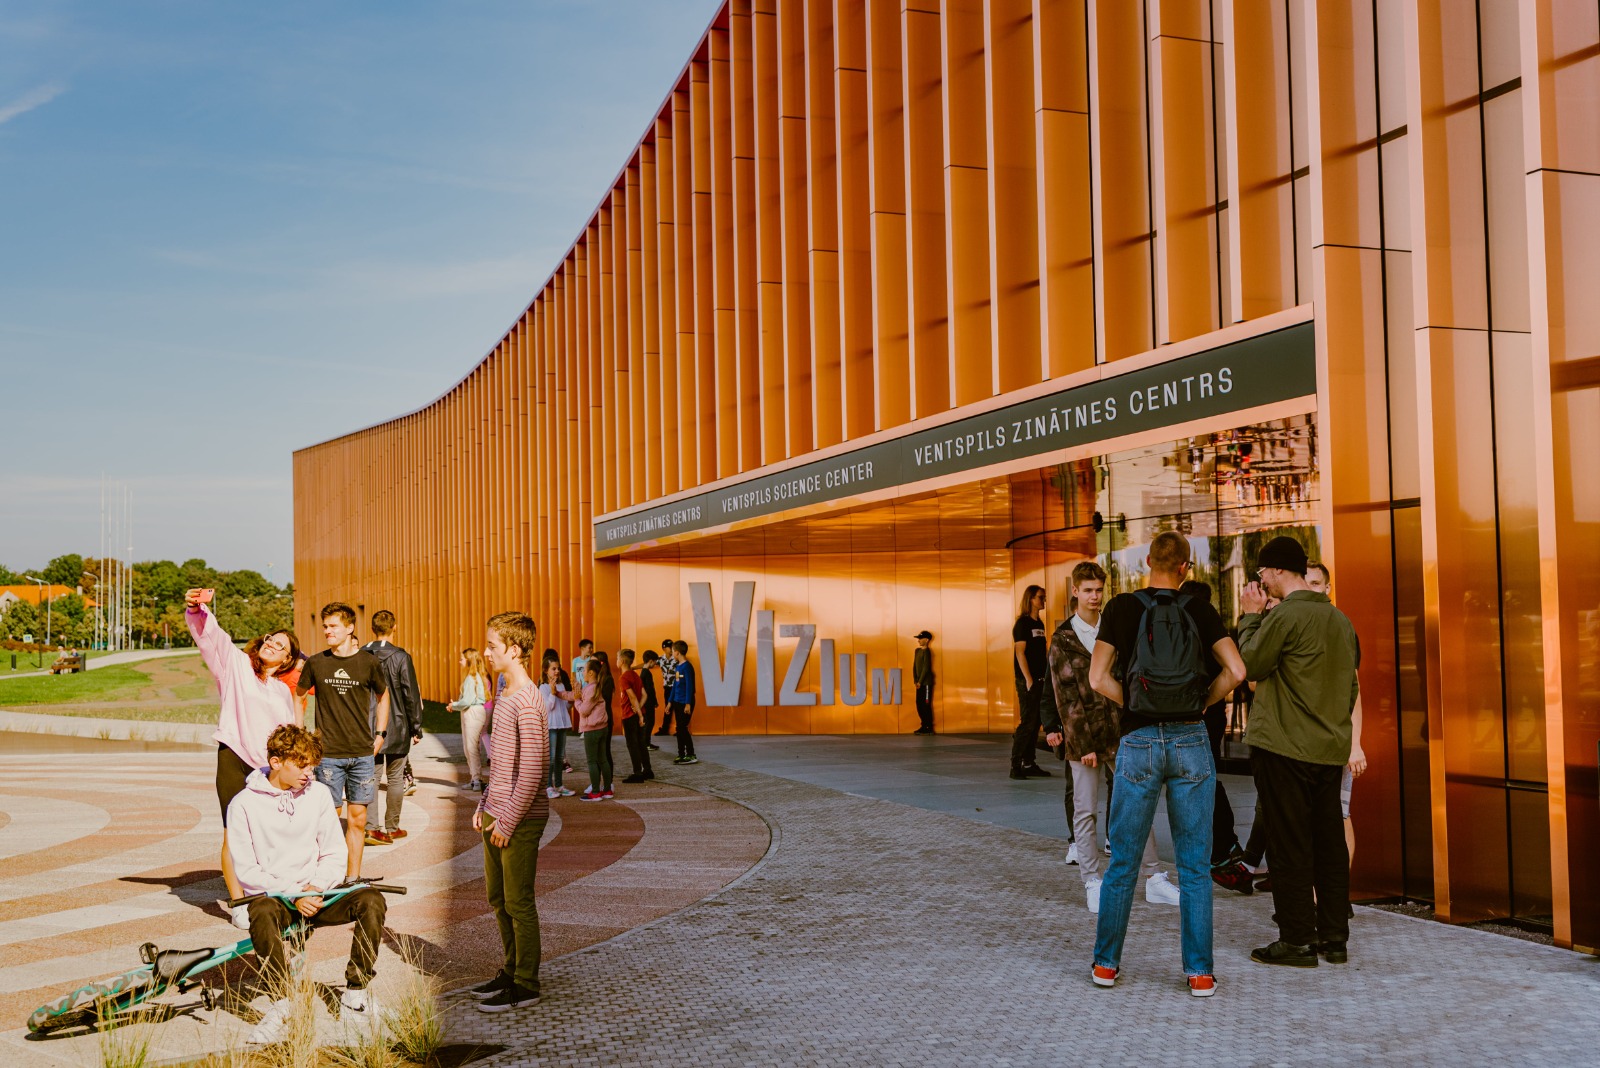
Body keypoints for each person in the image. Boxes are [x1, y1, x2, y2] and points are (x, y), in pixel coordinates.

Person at [1088, 531, 1244, 998]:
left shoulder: (1120, 607)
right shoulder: (1199, 608)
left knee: (1124, 862)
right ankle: (1199, 973)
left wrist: (1135, 706)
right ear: (1185, 568)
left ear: (1149, 563)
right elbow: (1236, 671)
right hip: (1191, 740)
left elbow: (1098, 677)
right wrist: (1200, 704)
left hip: (1138, 742)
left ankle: (1106, 966)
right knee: (1194, 865)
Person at [1238, 538, 1362, 967]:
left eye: (1261, 575)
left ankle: (1297, 940)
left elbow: (1250, 665)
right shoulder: (1340, 620)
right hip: (1328, 750)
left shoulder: (1285, 615)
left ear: (1274, 571)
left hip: (1284, 747)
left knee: (1288, 844)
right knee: (1328, 843)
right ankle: (1334, 939)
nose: (1260, 583)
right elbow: (1350, 686)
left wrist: (1250, 618)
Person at [230, 724, 388, 1045]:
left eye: (312, 764)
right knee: (259, 910)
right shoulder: (243, 804)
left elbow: (334, 852)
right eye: (300, 764)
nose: (309, 772)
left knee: (371, 900)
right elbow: (247, 869)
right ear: (276, 763)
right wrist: (294, 892)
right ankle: (281, 1002)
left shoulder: (317, 794)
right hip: (278, 898)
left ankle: (355, 994)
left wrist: (315, 887)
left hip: (319, 894)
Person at [1043, 561, 1172, 913]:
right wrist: (1084, 745)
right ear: (1075, 591)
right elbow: (1065, 697)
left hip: (1119, 733)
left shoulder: (1112, 627)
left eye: (1099, 590)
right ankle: (1091, 881)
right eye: (1087, 590)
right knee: (1086, 811)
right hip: (1083, 740)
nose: (1094, 596)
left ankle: (1154, 878)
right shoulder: (1063, 639)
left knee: (1138, 802)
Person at [184, 588, 303, 919]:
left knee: (267, 834)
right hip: (234, 759)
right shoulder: (236, 667)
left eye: (281, 646)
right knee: (233, 832)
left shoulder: (281, 691)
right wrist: (197, 610)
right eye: (270, 639)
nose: (271, 645)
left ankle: (265, 893)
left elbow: (288, 737)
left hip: (268, 770)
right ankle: (239, 904)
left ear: (287, 660)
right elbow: (213, 639)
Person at [469, 611, 550, 1012]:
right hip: (496, 813)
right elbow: (502, 763)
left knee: (519, 902)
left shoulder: (528, 702)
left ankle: (527, 983)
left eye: (492, 646)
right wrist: (484, 805)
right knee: (498, 898)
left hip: (519, 818)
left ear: (514, 650)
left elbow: (532, 772)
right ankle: (511, 967)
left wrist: (507, 820)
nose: (485, 652)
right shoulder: (503, 692)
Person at [296, 603, 390, 882]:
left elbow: (384, 697)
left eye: (333, 626)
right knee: (327, 821)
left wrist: (380, 734)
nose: (327, 631)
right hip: (328, 755)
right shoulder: (316, 662)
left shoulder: (369, 662)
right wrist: (301, 735)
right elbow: (298, 695)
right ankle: (325, 877)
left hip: (362, 753)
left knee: (358, 820)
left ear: (350, 628)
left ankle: (353, 877)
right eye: (325, 626)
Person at [1178, 580, 1246, 885]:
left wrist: (1200, 701)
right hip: (1211, 713)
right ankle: (1224, 845)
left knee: (1196, 783)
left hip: (1192, 713)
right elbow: (1231, 670)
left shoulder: (1180, 629)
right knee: (1207, 777)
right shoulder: (1213, 628)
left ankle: (1219, 848)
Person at [1306, 561, 1367, 870]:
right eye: (1307, 584)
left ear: (1327, 588)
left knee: (1340, 814)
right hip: (1307, 742)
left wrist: (1355, 745)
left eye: (1316, 584)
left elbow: (1353, 692)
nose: (1311, 589)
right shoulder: (1300, 625)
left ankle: (1337, 895)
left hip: (1336, 740)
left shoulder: (1339, 627)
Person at [362, 610, 424, 846]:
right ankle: (392, 827)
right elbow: (411, 694)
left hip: (370, 725)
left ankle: (371, 827)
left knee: (373, 777)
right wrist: (416, 726)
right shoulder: (401, 656)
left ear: (372, 628)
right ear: (394, 627)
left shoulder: (361, 655)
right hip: (398, 725)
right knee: (396, 778)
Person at [1010, 585, 1051, 779]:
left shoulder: (1040, 624)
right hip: (1027, 680)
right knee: (1027, 722)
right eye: (1040, 597)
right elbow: (1020, 653)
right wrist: (1028, 680)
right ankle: (1015, 765)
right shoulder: (1023, 624)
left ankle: (1029, 762)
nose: (1043, 600)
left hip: (1040, 678)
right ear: (1031, 599)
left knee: (1036, 722)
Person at [449, 649, 491, 792]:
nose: (460, 661)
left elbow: (466, 700)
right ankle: (475, 778)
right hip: (474, 712)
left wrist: (453, 705)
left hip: (472, 712)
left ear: (468, 660)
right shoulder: (475, 677)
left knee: (471, 748)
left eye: (462, 658)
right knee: (470, 748)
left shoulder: (471, 678)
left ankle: (476, 779)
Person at [573, 660, 614, 799]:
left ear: (591, 672)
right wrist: (567, 694)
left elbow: (583, 710)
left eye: (584, 670)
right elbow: (576, 696)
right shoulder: (596, 687)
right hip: (602, 728)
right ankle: (607, 790)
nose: (583, 673)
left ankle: (595, 792)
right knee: (603, 760)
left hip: (592, 730)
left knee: (592, 761)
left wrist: (577, 700)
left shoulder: (591, 689)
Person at [540, 660, 575, 798]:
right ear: (546, 671)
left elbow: (565, 706)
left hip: (562, 724)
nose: (556, 671)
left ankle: (559, 785)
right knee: (551, 757)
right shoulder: (543, 688)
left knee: (560, 757)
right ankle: (548, 786)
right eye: (553, 669)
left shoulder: (561, 685)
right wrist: (553, 693)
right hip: (551, 725)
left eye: (558, 668)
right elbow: (548, 708)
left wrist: (571, 701)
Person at [618, 649, 653, 783]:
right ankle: (648, 770)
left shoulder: (624, 677)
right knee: (641, 743)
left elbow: (632, 697)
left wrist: (638, 714)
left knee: (632, 744)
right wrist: (640, 709)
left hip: (629, 715)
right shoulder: (635, 675)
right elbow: (644, 695)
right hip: (640, 712)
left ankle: (637, 772)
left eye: (617, 659)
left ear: (621, 661)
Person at [668, 639, 698, 765]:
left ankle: (690, 754)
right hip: (677, 701)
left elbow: (690, 687)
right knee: (679, 728)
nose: (672, 654)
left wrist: (688, 703)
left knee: (682, 728)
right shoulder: (678, 667)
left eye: (673, 651)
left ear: (677, 653)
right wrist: (670, 702)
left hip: (685, 702)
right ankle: (681, 754)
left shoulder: (687, 667)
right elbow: (675, 686)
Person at [911, 631, 935, 734]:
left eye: (920, 639)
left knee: (926, 704)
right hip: (919, 683)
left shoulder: (927, 652)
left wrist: (920, 681)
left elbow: (926, 668)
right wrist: (915, 680)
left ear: (927, 640)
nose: (918, 640)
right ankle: (923, 725)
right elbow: (914, 666)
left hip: (926, 684)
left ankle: (928, 727)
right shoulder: (917, 651)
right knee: (919, 704)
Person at [654, 639, 679, 737]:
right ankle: (665, 729)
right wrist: (633, 668)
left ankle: (680, 729)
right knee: (667, 708)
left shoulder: (676, 658)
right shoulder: (660, 659)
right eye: (670, 647)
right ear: (664, 648)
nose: (671, 649)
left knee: (678, 708)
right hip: (667, 688)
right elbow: (648, 663)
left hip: (676, 687)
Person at [639, 649, 662, 751]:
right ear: (651, 661)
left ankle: (646, 742)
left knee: (648, 722)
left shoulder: (643, 672)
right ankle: (645, 743)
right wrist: (655, 701)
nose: (655, 664)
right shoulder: (647, 673)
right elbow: (650, 690)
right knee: (650, 722)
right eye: (655, 661)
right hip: (648, 702)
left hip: (646, 702)